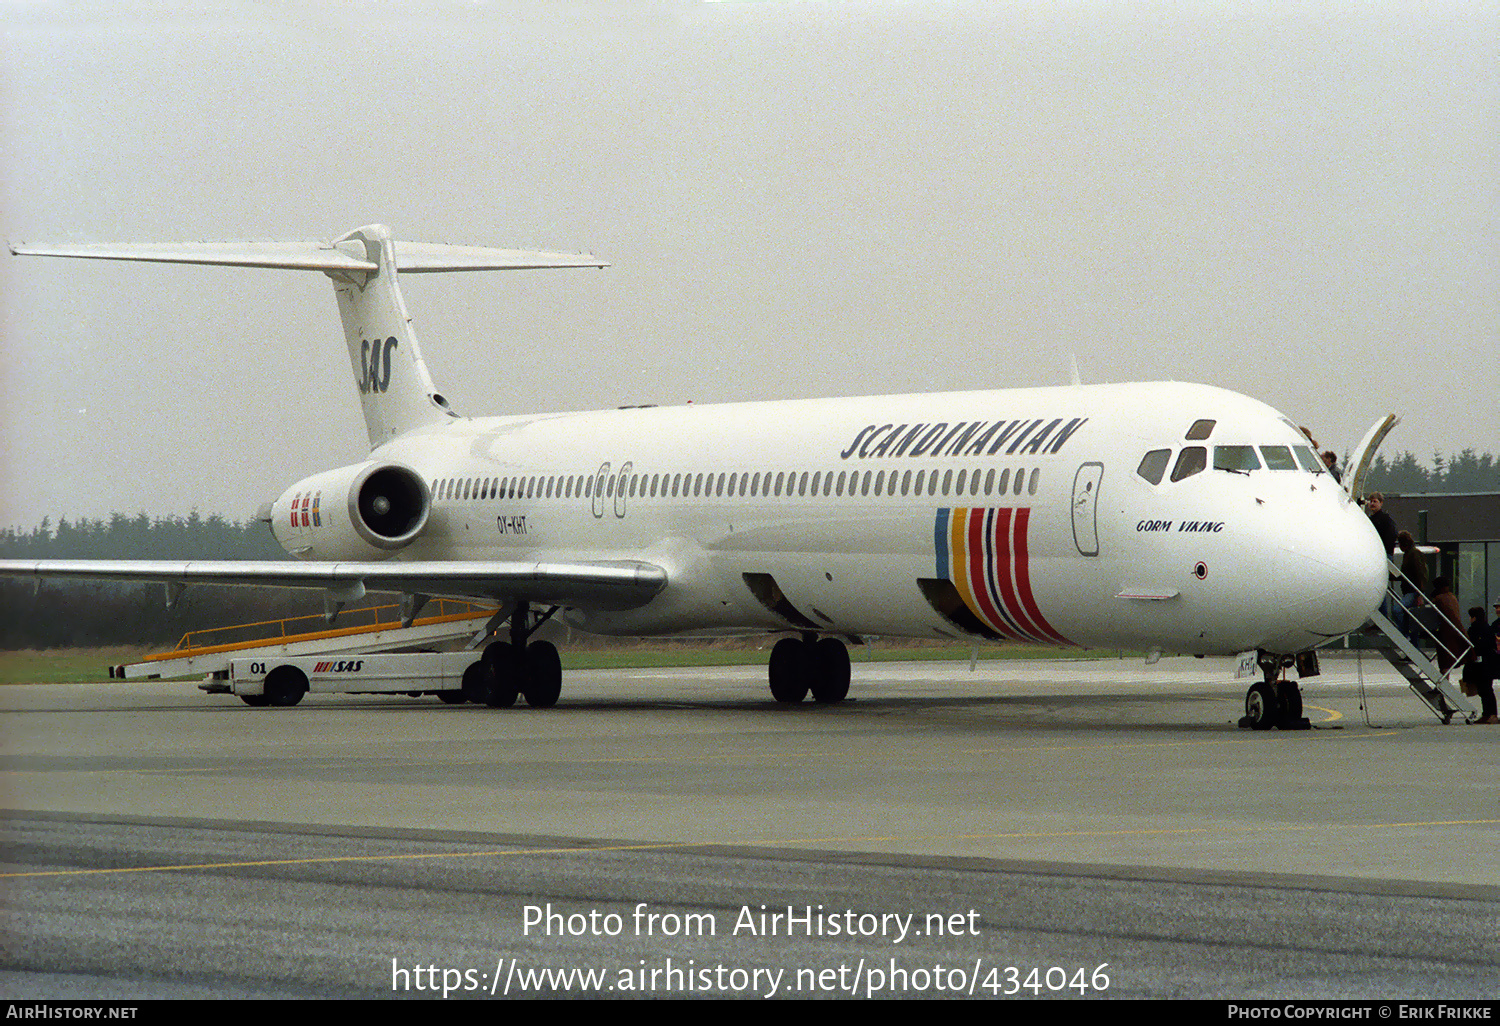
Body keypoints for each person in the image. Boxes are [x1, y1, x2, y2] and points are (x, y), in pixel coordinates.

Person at [1461, 607, 1497, 725]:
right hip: (1489, 663)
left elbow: (1472, 646)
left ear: (1474, 617)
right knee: (1487, 689)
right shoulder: (1488, 627)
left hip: (1481, 664)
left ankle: (1490, 715)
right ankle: (1489, 714)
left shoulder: (1474, 629)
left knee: (1484, 690)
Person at [1395, 532, 1428, 640]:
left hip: (1412, 591)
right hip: (1411, 591)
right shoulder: (1410, 554)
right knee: (1411, 620)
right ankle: (1412, 644)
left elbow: (1421, 574)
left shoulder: (1414, 554)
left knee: (1397, 610)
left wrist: (1420, 594)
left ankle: (1404, 633)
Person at [1430, 578, 1463, 676]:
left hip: (1444, 632)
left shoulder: (1439, 599)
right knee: (1447, 659)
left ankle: (1444, 681)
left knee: (1444, 660)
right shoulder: (1452, 597)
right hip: (1455, 631)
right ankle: (1444, 681)